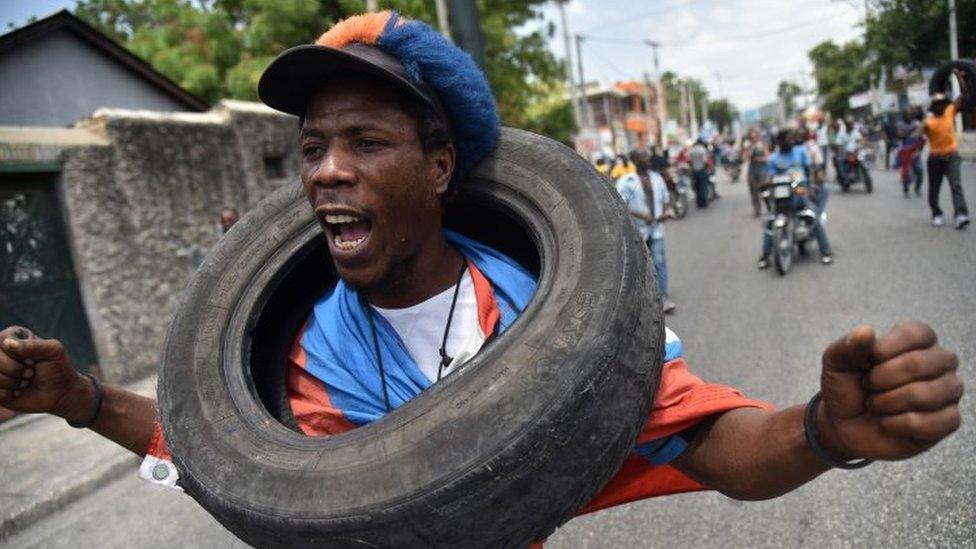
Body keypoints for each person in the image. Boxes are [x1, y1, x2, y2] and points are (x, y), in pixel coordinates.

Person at [0, 11, 963, 544]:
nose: (327, 170)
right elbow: (221, 456)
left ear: (439, 168)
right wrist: (79, 397)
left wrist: (824, 431)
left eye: (365, 143)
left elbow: (705, 439)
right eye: (312, 147)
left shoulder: (554, 322)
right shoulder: (301, 350)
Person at [758, 130, 834, 268]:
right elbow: (769, 176)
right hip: (780, 192)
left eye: (790, 139)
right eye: (785, 140)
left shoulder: (800, 152)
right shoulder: (774, 158)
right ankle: (764, 256)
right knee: (770, 221)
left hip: (799, 189)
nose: (789, 142)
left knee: (812, 216)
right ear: (779, 142)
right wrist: (764, 183)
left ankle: (826, 251)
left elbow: (810, 169)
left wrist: (812, 182)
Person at [620, 150, 676, 314]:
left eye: (648, 156)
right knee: (640, 265)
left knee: (659, 261)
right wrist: (641, 215)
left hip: (657, 227)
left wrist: (666, 211)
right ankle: (642, 299)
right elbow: (620, 203)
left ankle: (663, 298)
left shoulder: (657, 178)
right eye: (644, 156)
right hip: (639, 230)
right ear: (635, 160)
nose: (648, 158)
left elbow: (665, 198)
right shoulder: (626, 181)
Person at [923, 90, 971, 229]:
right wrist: (923, 124)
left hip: (952, 155)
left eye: (943, 103)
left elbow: (961, 98)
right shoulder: (929, 121)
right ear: (934, 107)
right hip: (935, 158)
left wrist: (960, 75)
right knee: (934, 188)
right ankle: (936, 214)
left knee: (956, 185)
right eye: (938, 104)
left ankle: (961, 214)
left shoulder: (950, 111)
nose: (941, 106)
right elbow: (919, 133)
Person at [746, 129, 769, 218]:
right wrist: (749, 152)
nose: (753, 139)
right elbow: (745, 158)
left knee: (765, 191)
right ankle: (757, 210)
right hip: (752, 171)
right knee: (753, 192)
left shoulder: (762, 145)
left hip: (762, 171)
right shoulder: (749, 146)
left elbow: (767, 157)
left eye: (754, 137)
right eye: (751, 137)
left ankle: (769, 208)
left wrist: (759, 159)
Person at [689, 138, 711, 208]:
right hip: (702, 170)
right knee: (703, 187)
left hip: (694, 171)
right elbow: (705, 161)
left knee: (697, 187)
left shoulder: (692, 150)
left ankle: (699, 203)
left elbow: (690, 161)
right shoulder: (702, 149)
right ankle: (704, 203)